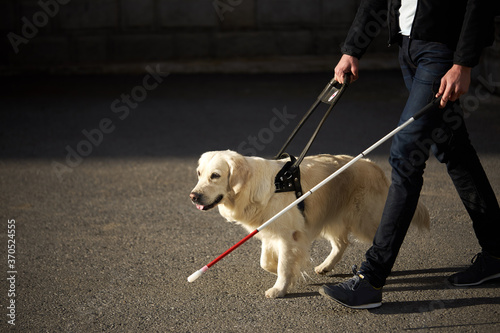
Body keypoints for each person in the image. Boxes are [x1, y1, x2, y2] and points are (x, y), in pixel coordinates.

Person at [319, 0, 500, 309]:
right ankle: (497, 253)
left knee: (406, 156)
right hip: (409, 46)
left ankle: (371, 278)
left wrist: (464, 63)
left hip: (443, 53)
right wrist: (352, 49)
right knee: (454, 150)